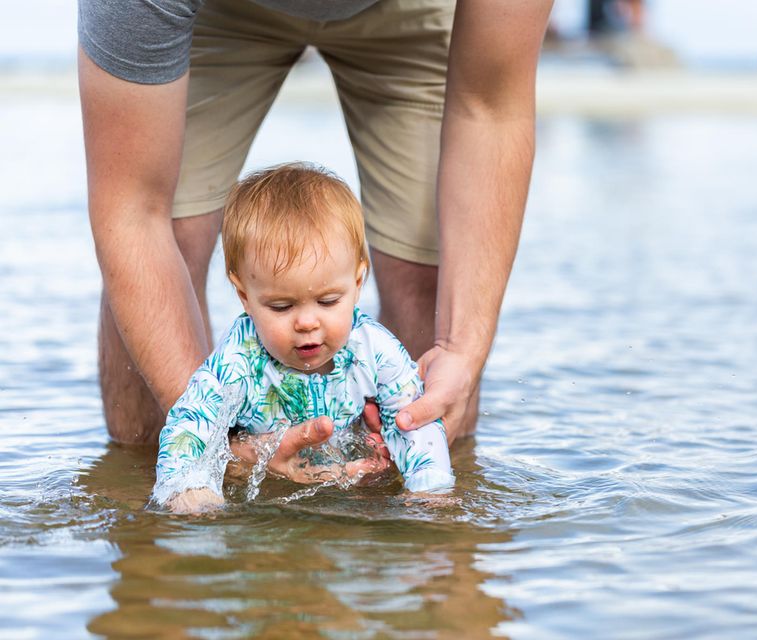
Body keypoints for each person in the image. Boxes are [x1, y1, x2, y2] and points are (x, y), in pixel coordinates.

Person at [78, 0, 552, 476]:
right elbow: (133, 210)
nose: (306, 323)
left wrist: (460, 348)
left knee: (429, 282)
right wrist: (216, 446)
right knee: (168, 254)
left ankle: (404, 528)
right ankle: (152, 523)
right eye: (283, 308)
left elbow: (491, 111)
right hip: (216, 11)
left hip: (407, 9)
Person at [155, 163, 455, 513]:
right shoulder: (240, 356)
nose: (308, 322)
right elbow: (191, 421)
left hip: (351, 488)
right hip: (270, 492)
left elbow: (415, 424)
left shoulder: (374, 350)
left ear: (357, 284)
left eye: (328, 301)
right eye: (281, 306)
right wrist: (190, 491)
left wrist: (428, 491)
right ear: (244, 296)